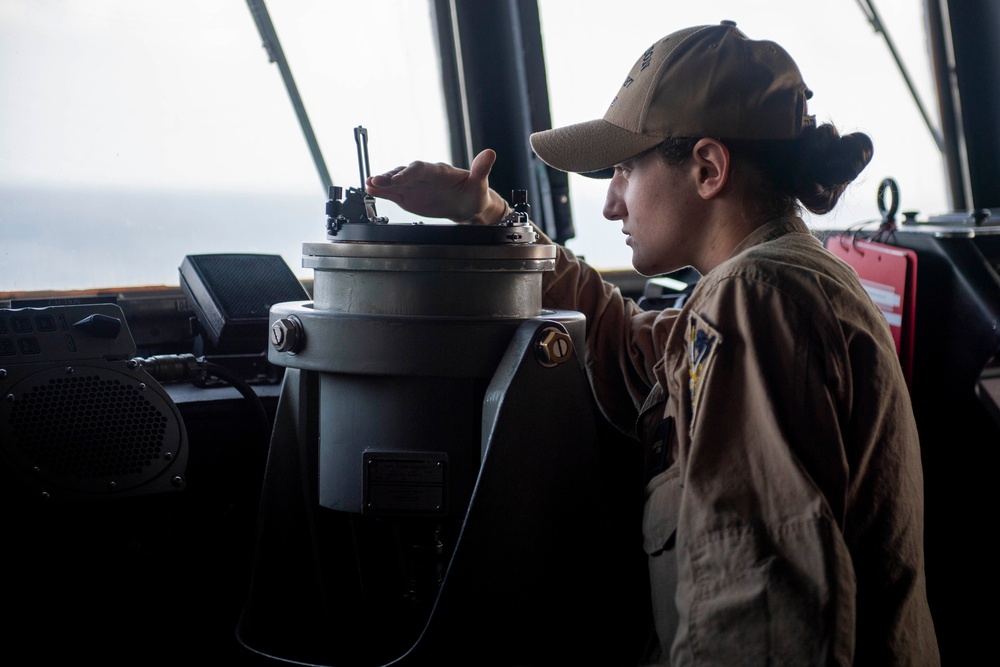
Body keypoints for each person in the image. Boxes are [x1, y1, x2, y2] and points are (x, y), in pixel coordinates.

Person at [365, 20, 939, 666]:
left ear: (707, 168)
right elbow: (627, 348)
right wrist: (493, 216)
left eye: (622, 170)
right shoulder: (773, 285)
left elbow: (757, 628)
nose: (612, 205)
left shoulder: (752, 301)